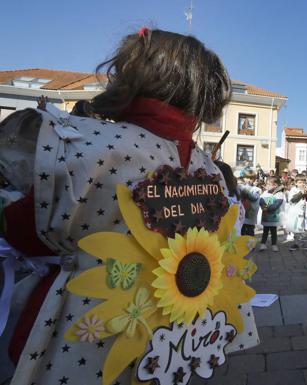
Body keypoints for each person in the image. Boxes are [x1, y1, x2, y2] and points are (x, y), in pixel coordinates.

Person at [0, 29, 260, 385]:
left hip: (86, 335)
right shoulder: (209, 167)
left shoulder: (90, 149)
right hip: (168, 340)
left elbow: (23, 231)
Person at [286, 174, 307, 251]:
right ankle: (296, 243)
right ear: (296, 183)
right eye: (299, 182)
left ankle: (304, 243)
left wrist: (306, 193)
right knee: (297, 228)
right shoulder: (293, 190)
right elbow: (292, 200)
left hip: (306, 213)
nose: (302, 184)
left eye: (303, 182)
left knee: (306, 229)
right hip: (296, 213)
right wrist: (301, 193)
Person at [258, 176, 285, 252]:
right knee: (265, 231)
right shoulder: (265, 193)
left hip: (274, 216)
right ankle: (263, 244)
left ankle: (274, 245)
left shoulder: (279, 194)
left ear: (275, 185)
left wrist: (268, 208)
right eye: (267, 184)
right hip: (265, 216)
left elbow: (277, 204)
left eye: (269, 184)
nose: (266, 186)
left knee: (273, 231)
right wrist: (263, 206)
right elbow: (261, 200)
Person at [239, 167, 261, 236]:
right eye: (247, 178)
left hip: (251, 214)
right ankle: (242, 245)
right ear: (243, 178)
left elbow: (254, 198)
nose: (249, 180)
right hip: (242, 212)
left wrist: (246, 191)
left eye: (251, 178)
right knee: (241, 230)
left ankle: (251, 246)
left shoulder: (256, 189)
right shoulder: (241, 186)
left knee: (250, 231)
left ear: (254, 179)